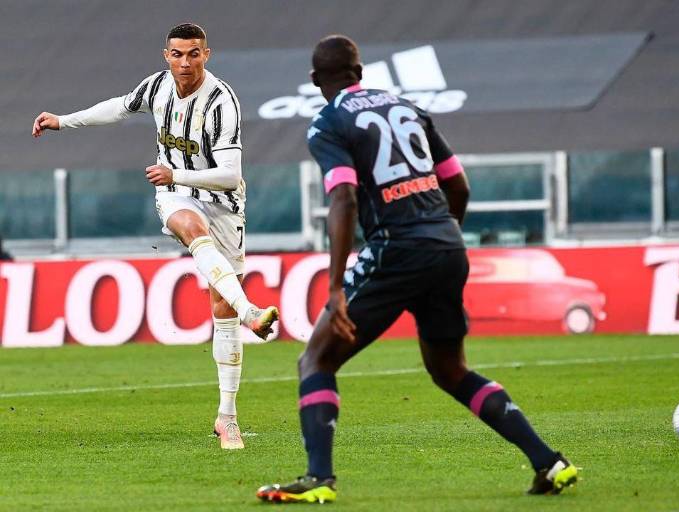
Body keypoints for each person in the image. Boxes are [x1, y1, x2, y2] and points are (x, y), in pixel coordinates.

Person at [256, 35, 577, 503]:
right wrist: (440, 240)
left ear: (313, 81)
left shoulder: (328, 123)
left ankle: (319, 480)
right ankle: (550, 462)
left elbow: (342, 197)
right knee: (450, 370)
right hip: (446, 245)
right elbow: (458, 186)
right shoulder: (407, 108)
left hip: (395, 249)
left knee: (317, 359)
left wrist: (335, 287)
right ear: (359, 72)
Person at [31, 23, 278, 450]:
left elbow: (230, 174)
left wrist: (175, 171)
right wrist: (62, 121)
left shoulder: (222, 101)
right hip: (176, 193)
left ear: (207, 55)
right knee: (189, 226)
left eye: (194, 54)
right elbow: (119, 107)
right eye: (178, 54)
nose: (185, 62)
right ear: (166, 55)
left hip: (223, 202)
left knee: (220, 304)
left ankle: (227, 417)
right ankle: (251, 312)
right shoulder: (157, 86)